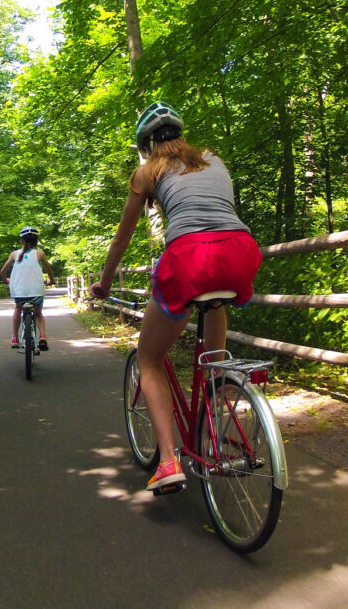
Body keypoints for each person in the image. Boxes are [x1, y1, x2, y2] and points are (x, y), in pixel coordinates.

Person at [90, 102, 262, 493]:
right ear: (180, 134)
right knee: (213, 334)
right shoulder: (212, 159)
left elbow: (123, 236)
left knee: (149, 357)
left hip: (189, 257)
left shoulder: (147, 171)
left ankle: (168, 461)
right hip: (240, 250)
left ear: (147, 144)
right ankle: (216, 400)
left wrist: (103, 282)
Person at [0, 226, 56, 350]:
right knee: (38, 313)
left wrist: (6, 280)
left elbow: (3, 271)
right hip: (36, 290)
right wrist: (51, 280)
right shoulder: (39, 253)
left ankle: (15, 338)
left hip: (19, 291)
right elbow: (49, 270)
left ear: (22, 240)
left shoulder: (15, 254)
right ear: (36, 240)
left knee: (17, 309)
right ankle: (42, 336)